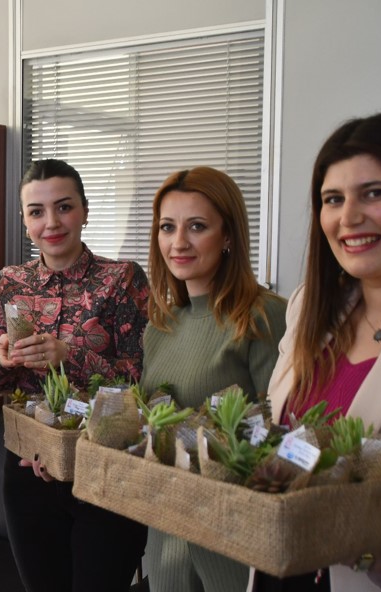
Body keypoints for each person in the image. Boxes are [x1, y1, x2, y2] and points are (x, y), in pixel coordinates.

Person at [251, 111, 381, 592]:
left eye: (375, 193)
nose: (348, 217)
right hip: (282, 570)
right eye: (333, 199)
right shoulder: (309, 306)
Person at [0, 158, 149, 592]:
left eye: (64, 207)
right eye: (36, 212)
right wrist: (2, 358)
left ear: (85, 211)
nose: (51, 222)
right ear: (24, 219)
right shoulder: (7, 283)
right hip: (28, 469)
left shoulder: (121, 279)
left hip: (105, 472)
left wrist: (68, 355)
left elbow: (139, 382)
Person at [141, 166, 287, 592]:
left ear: (228, 237)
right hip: (167, 528)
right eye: (167, 227)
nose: (178, 242)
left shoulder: (262, 316)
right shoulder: (161, 325)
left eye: (197, 227)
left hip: (236, 538)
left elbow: (281, 430)